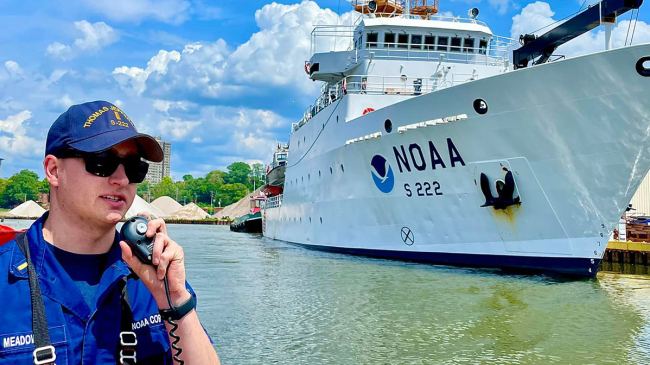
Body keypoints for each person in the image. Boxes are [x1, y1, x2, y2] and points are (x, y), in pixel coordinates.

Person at [0, 101, 220, 364]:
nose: (122, 179)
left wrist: (175, 302)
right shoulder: (6, 279)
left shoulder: (151, 276)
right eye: (102, 162)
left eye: (134, 167)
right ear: (54, 170)